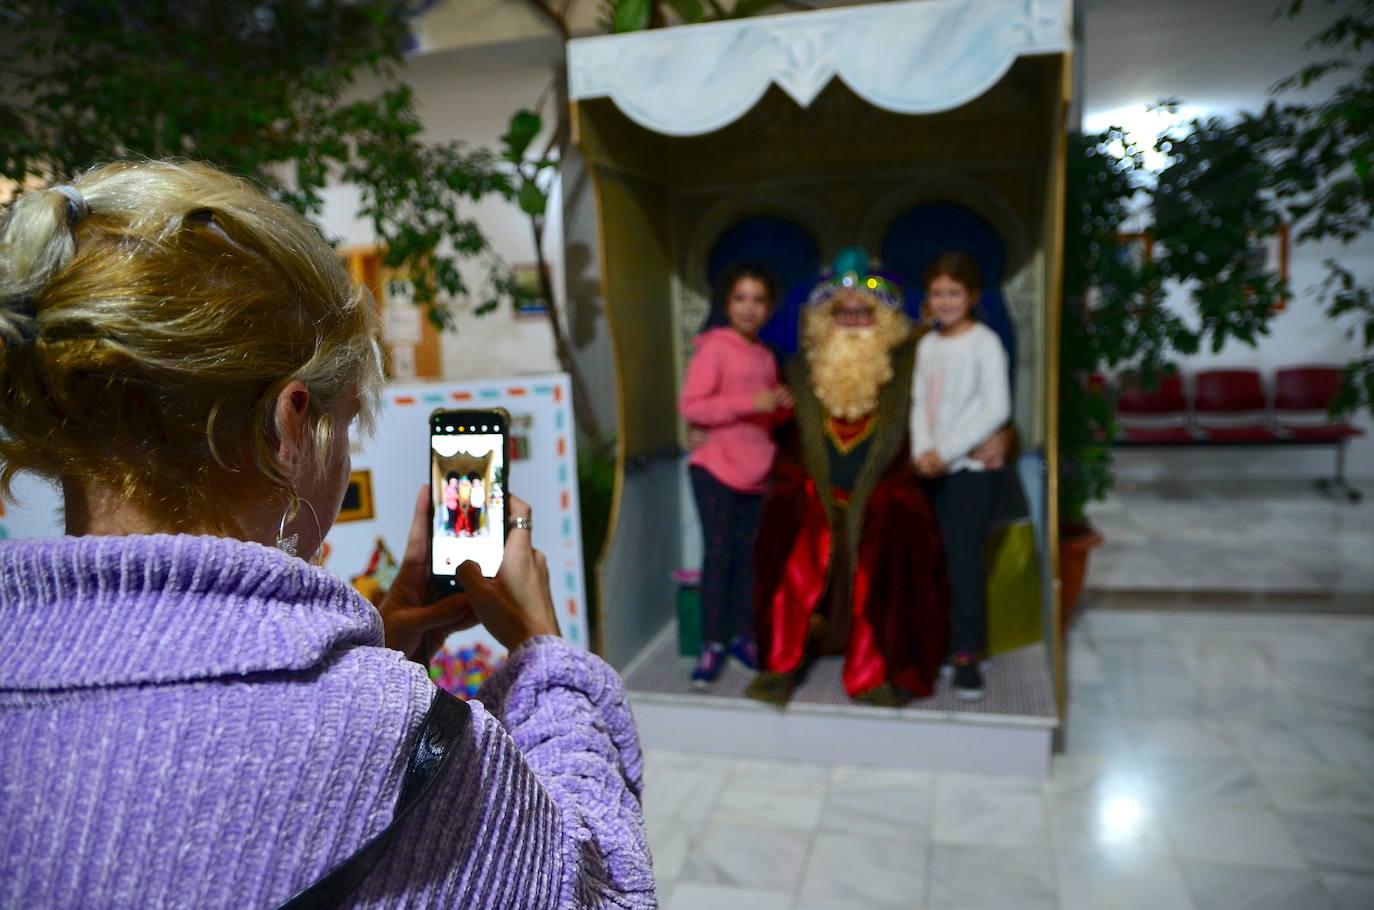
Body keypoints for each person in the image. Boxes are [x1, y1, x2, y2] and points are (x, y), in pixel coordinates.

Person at [0, 161, 655, 908]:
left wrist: (368, 655)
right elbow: (606, 893)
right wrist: (546, 659)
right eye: (344, 426)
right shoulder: (395, 739)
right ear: (288, 427)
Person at [748, 248, 1011, 708]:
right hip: (817, 496)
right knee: (793, 519)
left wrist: (1008, 435)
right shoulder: (798, 371)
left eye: (863, 312)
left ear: (883, 320)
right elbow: (777, 434)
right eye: (842, 313)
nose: (853, 321)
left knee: (897, 523)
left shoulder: (908, 362)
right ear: (825, 320)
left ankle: (885, 666)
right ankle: (783, 661)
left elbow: (966, 403)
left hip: (886, 495)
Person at [679, 262, 793, 687]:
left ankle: (743, 637)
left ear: (770, 307)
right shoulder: (714, 348)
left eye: (758, 300)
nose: (749, 307)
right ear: (726, 304)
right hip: (714, 468)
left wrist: (781, 405)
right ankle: (712, 645)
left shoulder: (766, 355)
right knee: (719, 557)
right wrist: (751, 402)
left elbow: (766, 415)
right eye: (740, 298)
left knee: (748, 561)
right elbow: (692, 407)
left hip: (757, 471)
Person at [911, 251, 1012, 702]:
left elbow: (996, 408)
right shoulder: (927, 346)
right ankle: (941, 643)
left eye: (954, 293)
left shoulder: (984, 342)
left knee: (964, 562)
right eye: (937, 293)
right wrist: (921, 453)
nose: (945, 301)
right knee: (934, 561)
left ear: (971, 296)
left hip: (969, 472)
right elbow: (919, 404)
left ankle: (969, 653)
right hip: (929, 469)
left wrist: (944, 454)